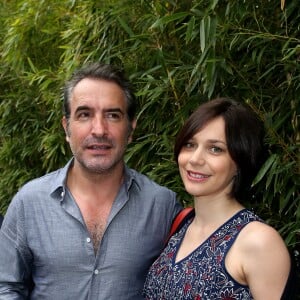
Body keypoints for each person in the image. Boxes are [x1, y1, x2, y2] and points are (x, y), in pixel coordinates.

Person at [0, 63, 182, 299]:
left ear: (131, 128)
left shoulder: (162, 206)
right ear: (67, 128)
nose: (99, 130)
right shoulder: (29, 203)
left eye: (113, 115)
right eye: (85, 114)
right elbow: (6, 285)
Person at [143, 98, 291, 299]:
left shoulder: (258, 241)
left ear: (240, 161)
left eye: (215, 149)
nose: (195, 159)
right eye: (190, 144)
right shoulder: (181, 226)